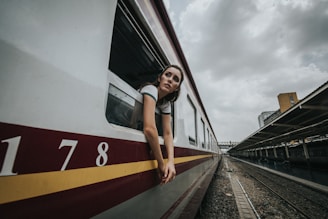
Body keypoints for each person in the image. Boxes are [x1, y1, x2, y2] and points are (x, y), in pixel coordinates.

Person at [140, 65, 184, 184]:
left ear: (176, 88)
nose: (170, 79)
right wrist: (161, 164)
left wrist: (171, 161)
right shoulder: (150, 89)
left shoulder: (165, 104)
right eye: (167, 75)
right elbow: (149, 129)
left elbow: (168, 133)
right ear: (160, 78)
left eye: (175, 79)